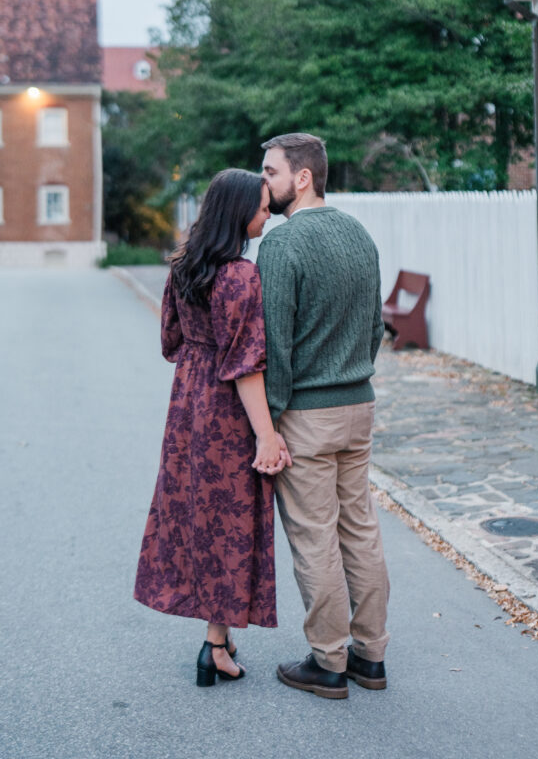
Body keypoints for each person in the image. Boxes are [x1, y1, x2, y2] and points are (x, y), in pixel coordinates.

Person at [134, 168, 291, 687]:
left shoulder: (183, 267)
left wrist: (199, 361)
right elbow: (246, 364)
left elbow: (170, 342)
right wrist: (267, 434)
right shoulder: (241, 275)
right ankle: (215, 643)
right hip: (228, 411)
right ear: (238, 211)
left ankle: (216, 643)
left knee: (199, 517)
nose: (268, 217)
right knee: (231, 524)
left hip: (187, 404)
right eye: (263, 208)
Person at [257, 132, 389, 699]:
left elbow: (275, 347)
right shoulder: (359, 234)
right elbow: (376, 323)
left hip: (308, 414)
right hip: (359, 405)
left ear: (302, 177)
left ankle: (329, 661)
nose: (263, 184)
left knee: (315, 539)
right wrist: (356, 372)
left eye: (269, 173)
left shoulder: (283, 246)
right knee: (359, 530)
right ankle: (371, 656)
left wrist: (270, 420)